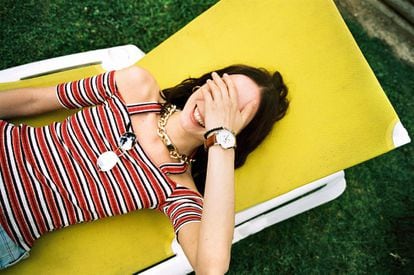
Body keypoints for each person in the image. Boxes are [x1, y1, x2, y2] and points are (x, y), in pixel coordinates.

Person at [0, 64, 288, 272]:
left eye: (230, 109)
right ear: (205, 83)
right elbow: (35, 99)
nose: (215, 107)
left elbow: (210, 268)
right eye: (221, 92)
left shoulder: (178, 189)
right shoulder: (135, 87)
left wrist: (221, 138)